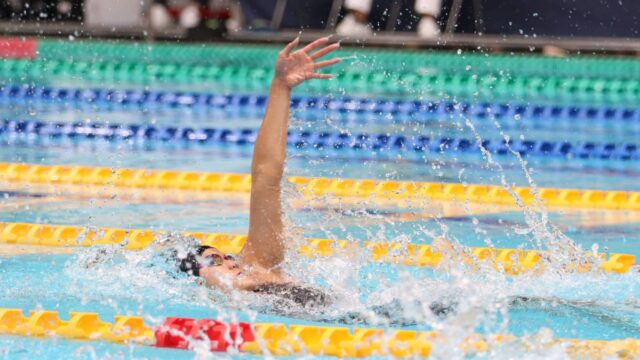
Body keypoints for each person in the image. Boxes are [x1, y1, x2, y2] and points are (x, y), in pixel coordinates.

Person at [177, 36, 341, 307]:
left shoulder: (259, 266)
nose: (229, 260)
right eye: (214, 260)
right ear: (197, 279)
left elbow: (266, 177)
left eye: (225, 255)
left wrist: (280, 87)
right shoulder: (231, 295)